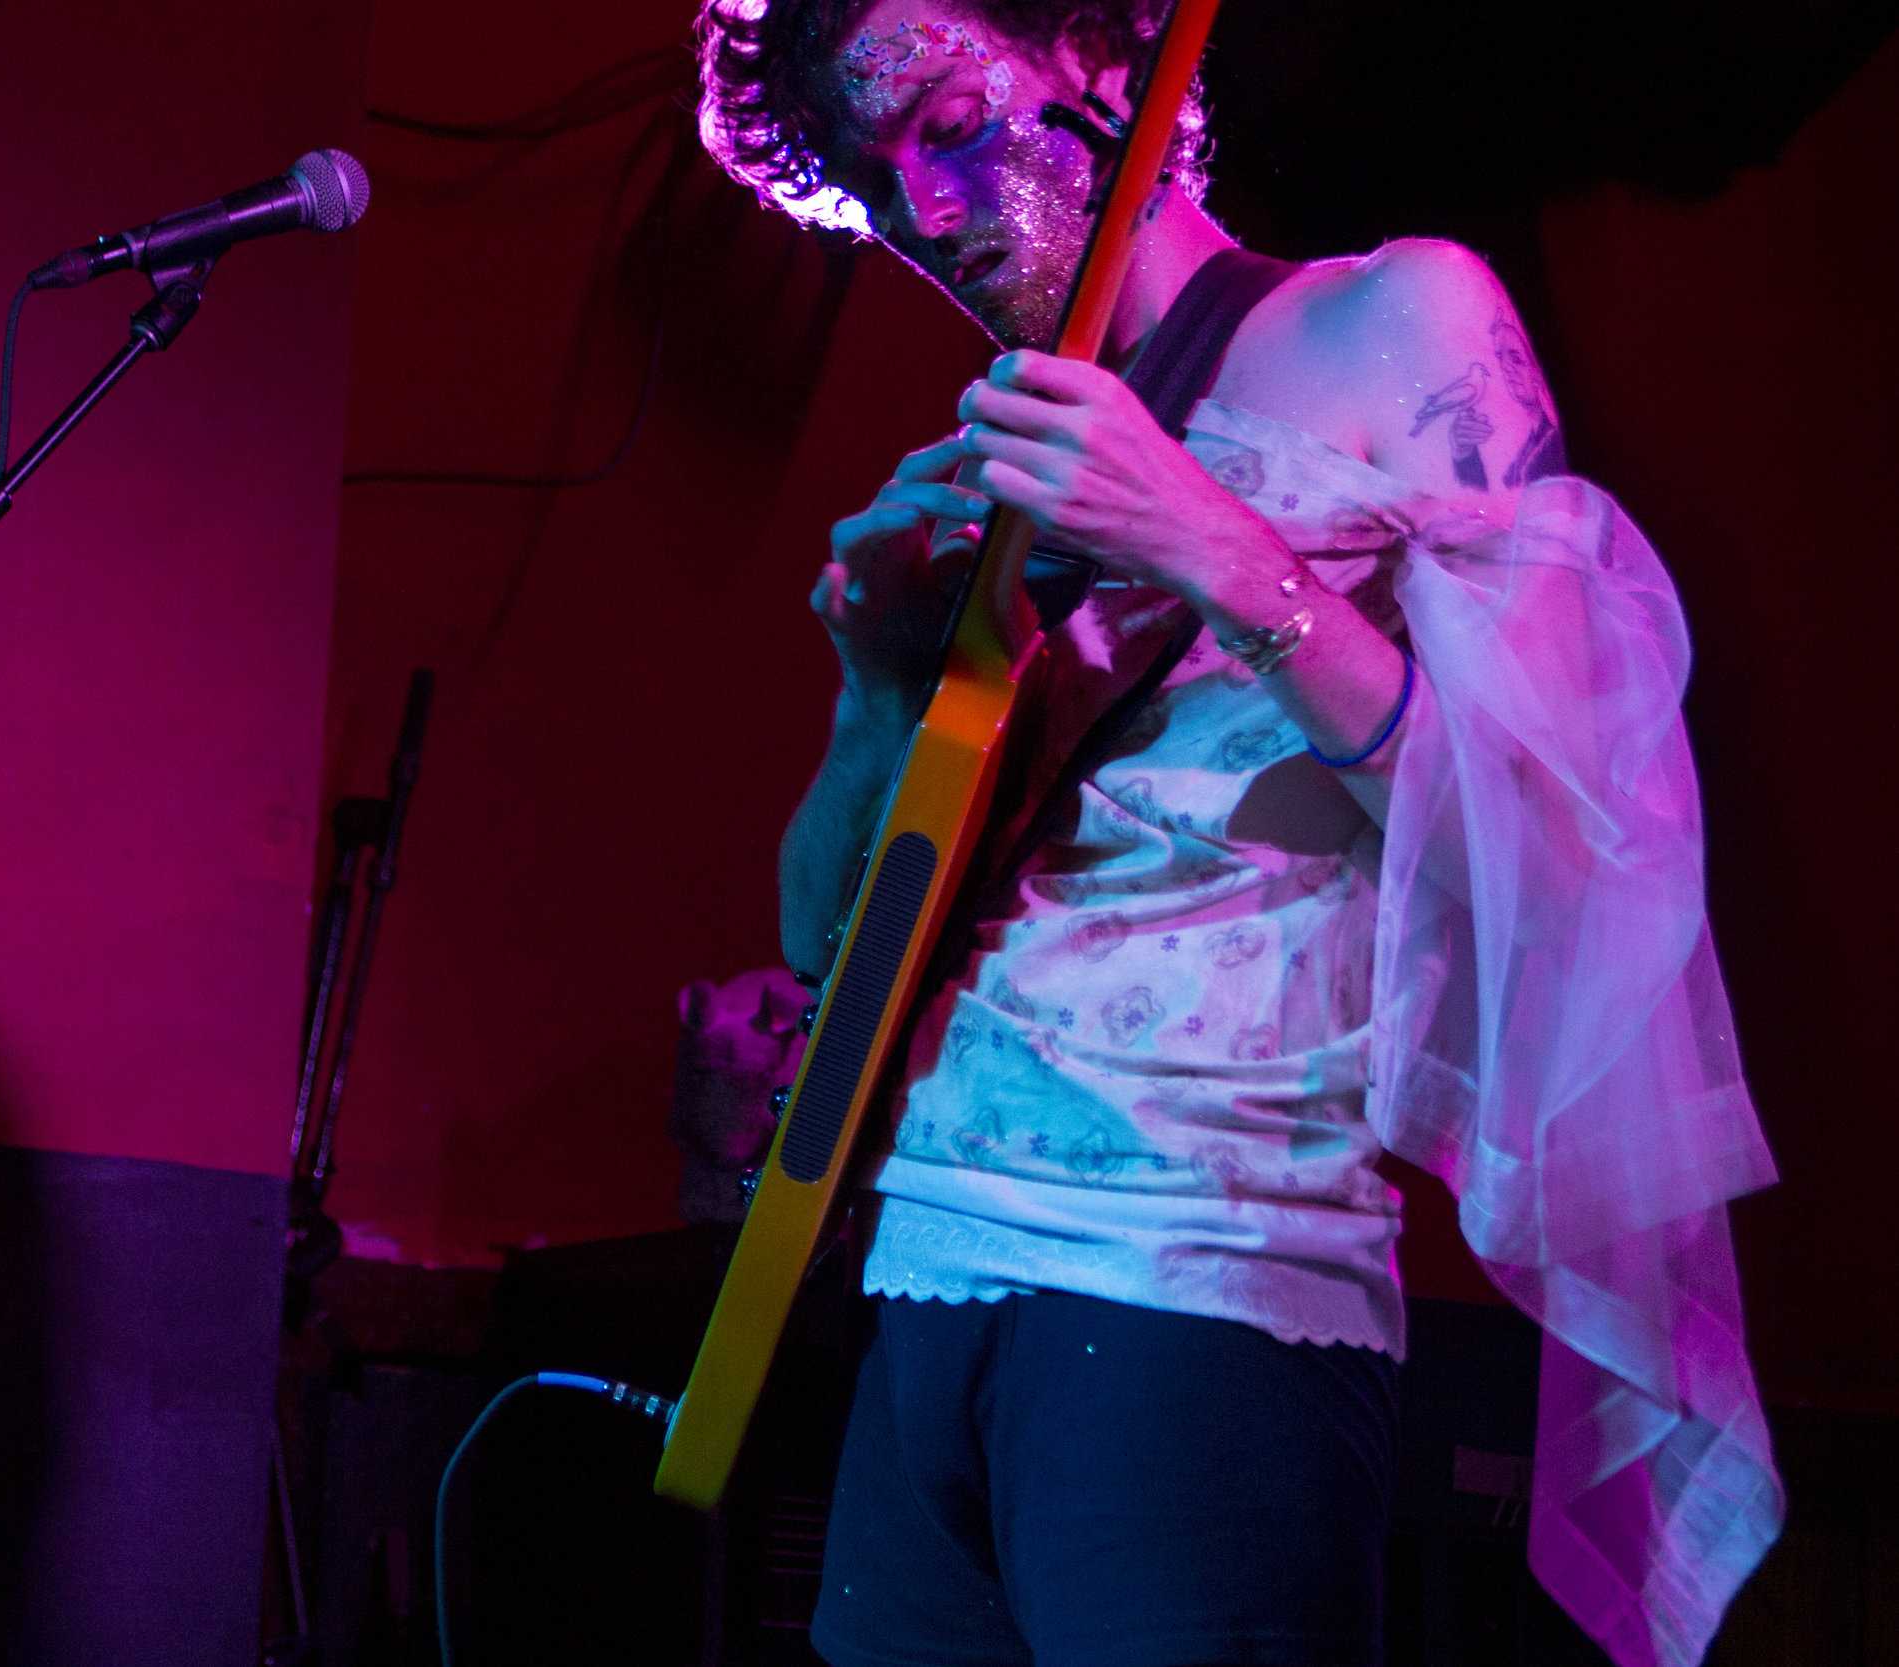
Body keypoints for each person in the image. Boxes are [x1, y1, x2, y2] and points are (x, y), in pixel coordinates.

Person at [691, 5, 1784, 1667]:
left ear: (1113, 71)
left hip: (1207, 1273)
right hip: (922, 1270)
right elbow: (818, 948)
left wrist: (1210, 542)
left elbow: (1556, 862)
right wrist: (869, 683)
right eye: (871, 176)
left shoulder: (1392, 317)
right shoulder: (1017, 449)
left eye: (948, 121)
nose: (920, 209)